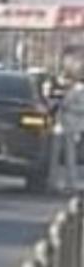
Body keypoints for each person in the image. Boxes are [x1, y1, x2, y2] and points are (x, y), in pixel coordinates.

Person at [58, 55, 84, 192]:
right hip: (66, 125)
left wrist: (67, 107)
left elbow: (81, 108)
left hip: (75, 126)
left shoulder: (80, 90)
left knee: (71, 157)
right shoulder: (72, 89)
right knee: (67, 157)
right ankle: (68, 182)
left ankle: (72, 183)